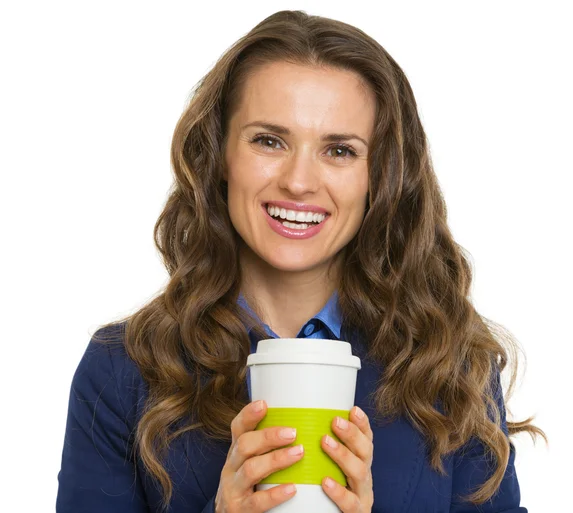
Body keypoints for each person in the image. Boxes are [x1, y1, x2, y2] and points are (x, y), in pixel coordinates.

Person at [56, 9, 546, 513]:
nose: (298, 181)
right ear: (220, 154)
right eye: (269, 140)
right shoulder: (123, 369)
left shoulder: (449, 365)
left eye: (339, 150)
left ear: (379, 176)